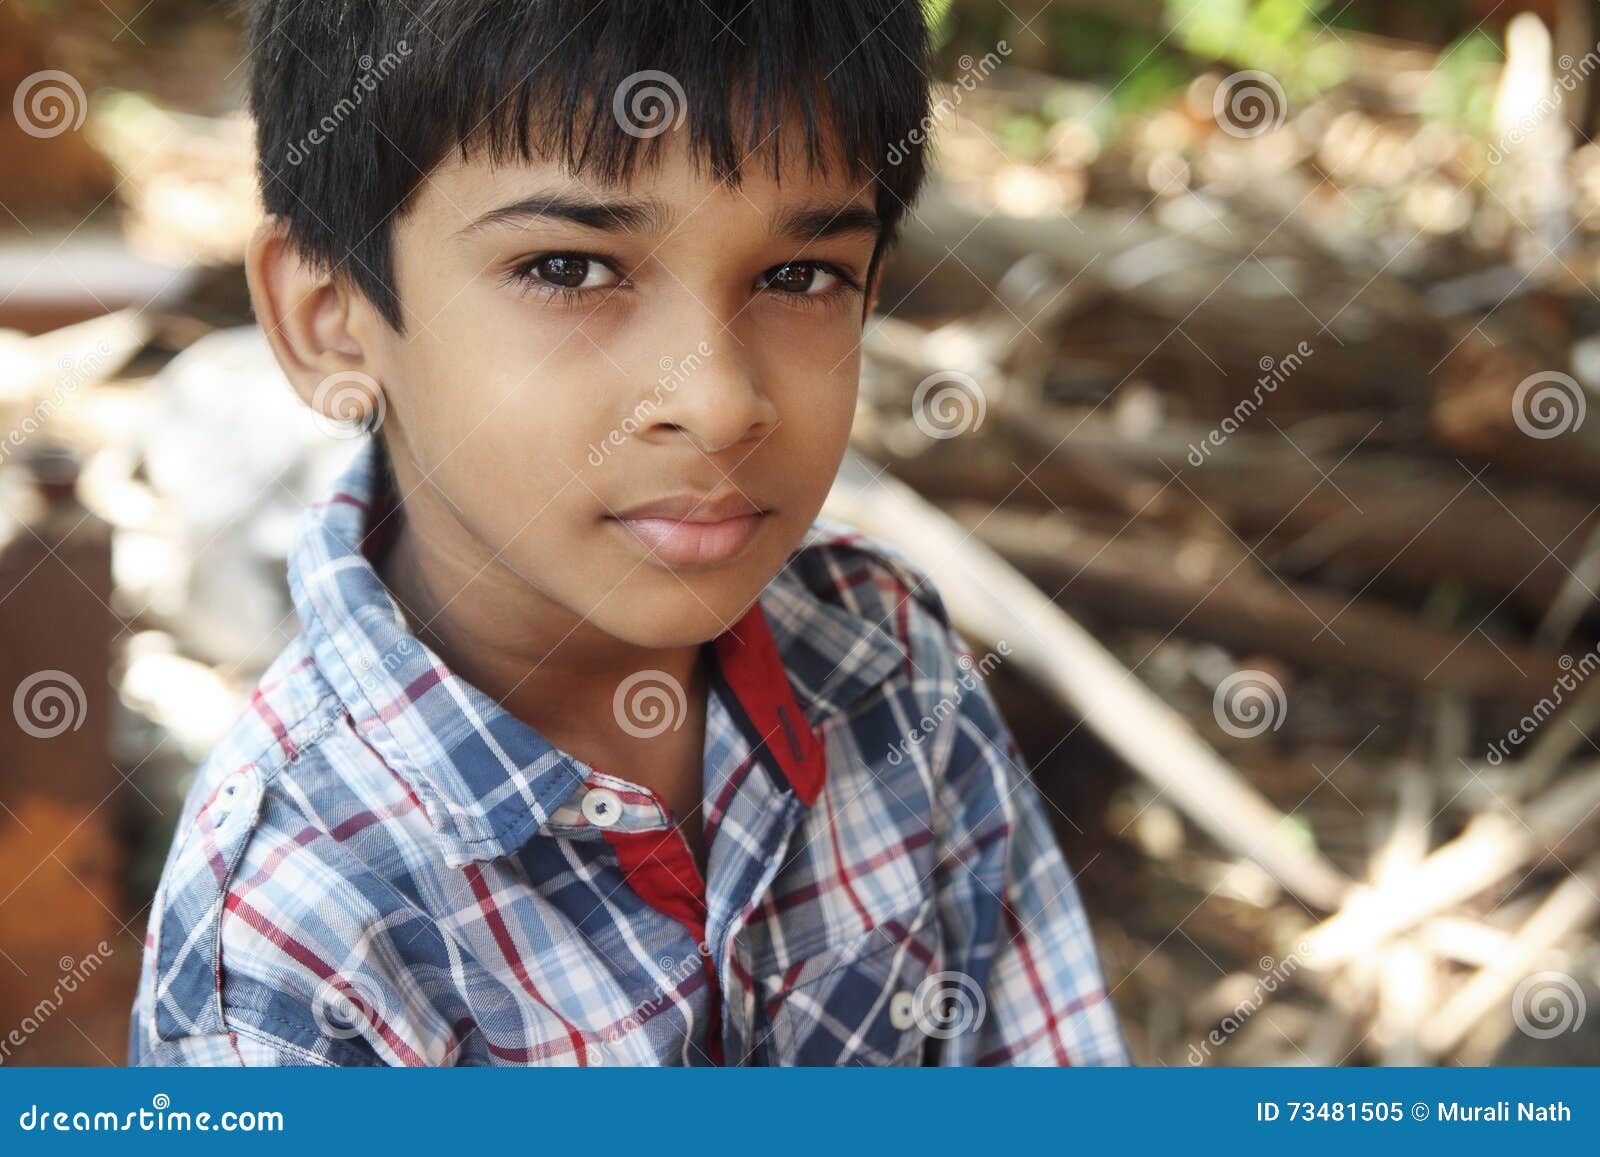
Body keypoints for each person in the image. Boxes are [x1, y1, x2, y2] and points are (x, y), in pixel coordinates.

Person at [128, 0, 1130, 1067]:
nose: (716, 400)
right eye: (570, 268)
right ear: (329, 315)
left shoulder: (880, 657)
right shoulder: (294, 939)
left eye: (800, 277)